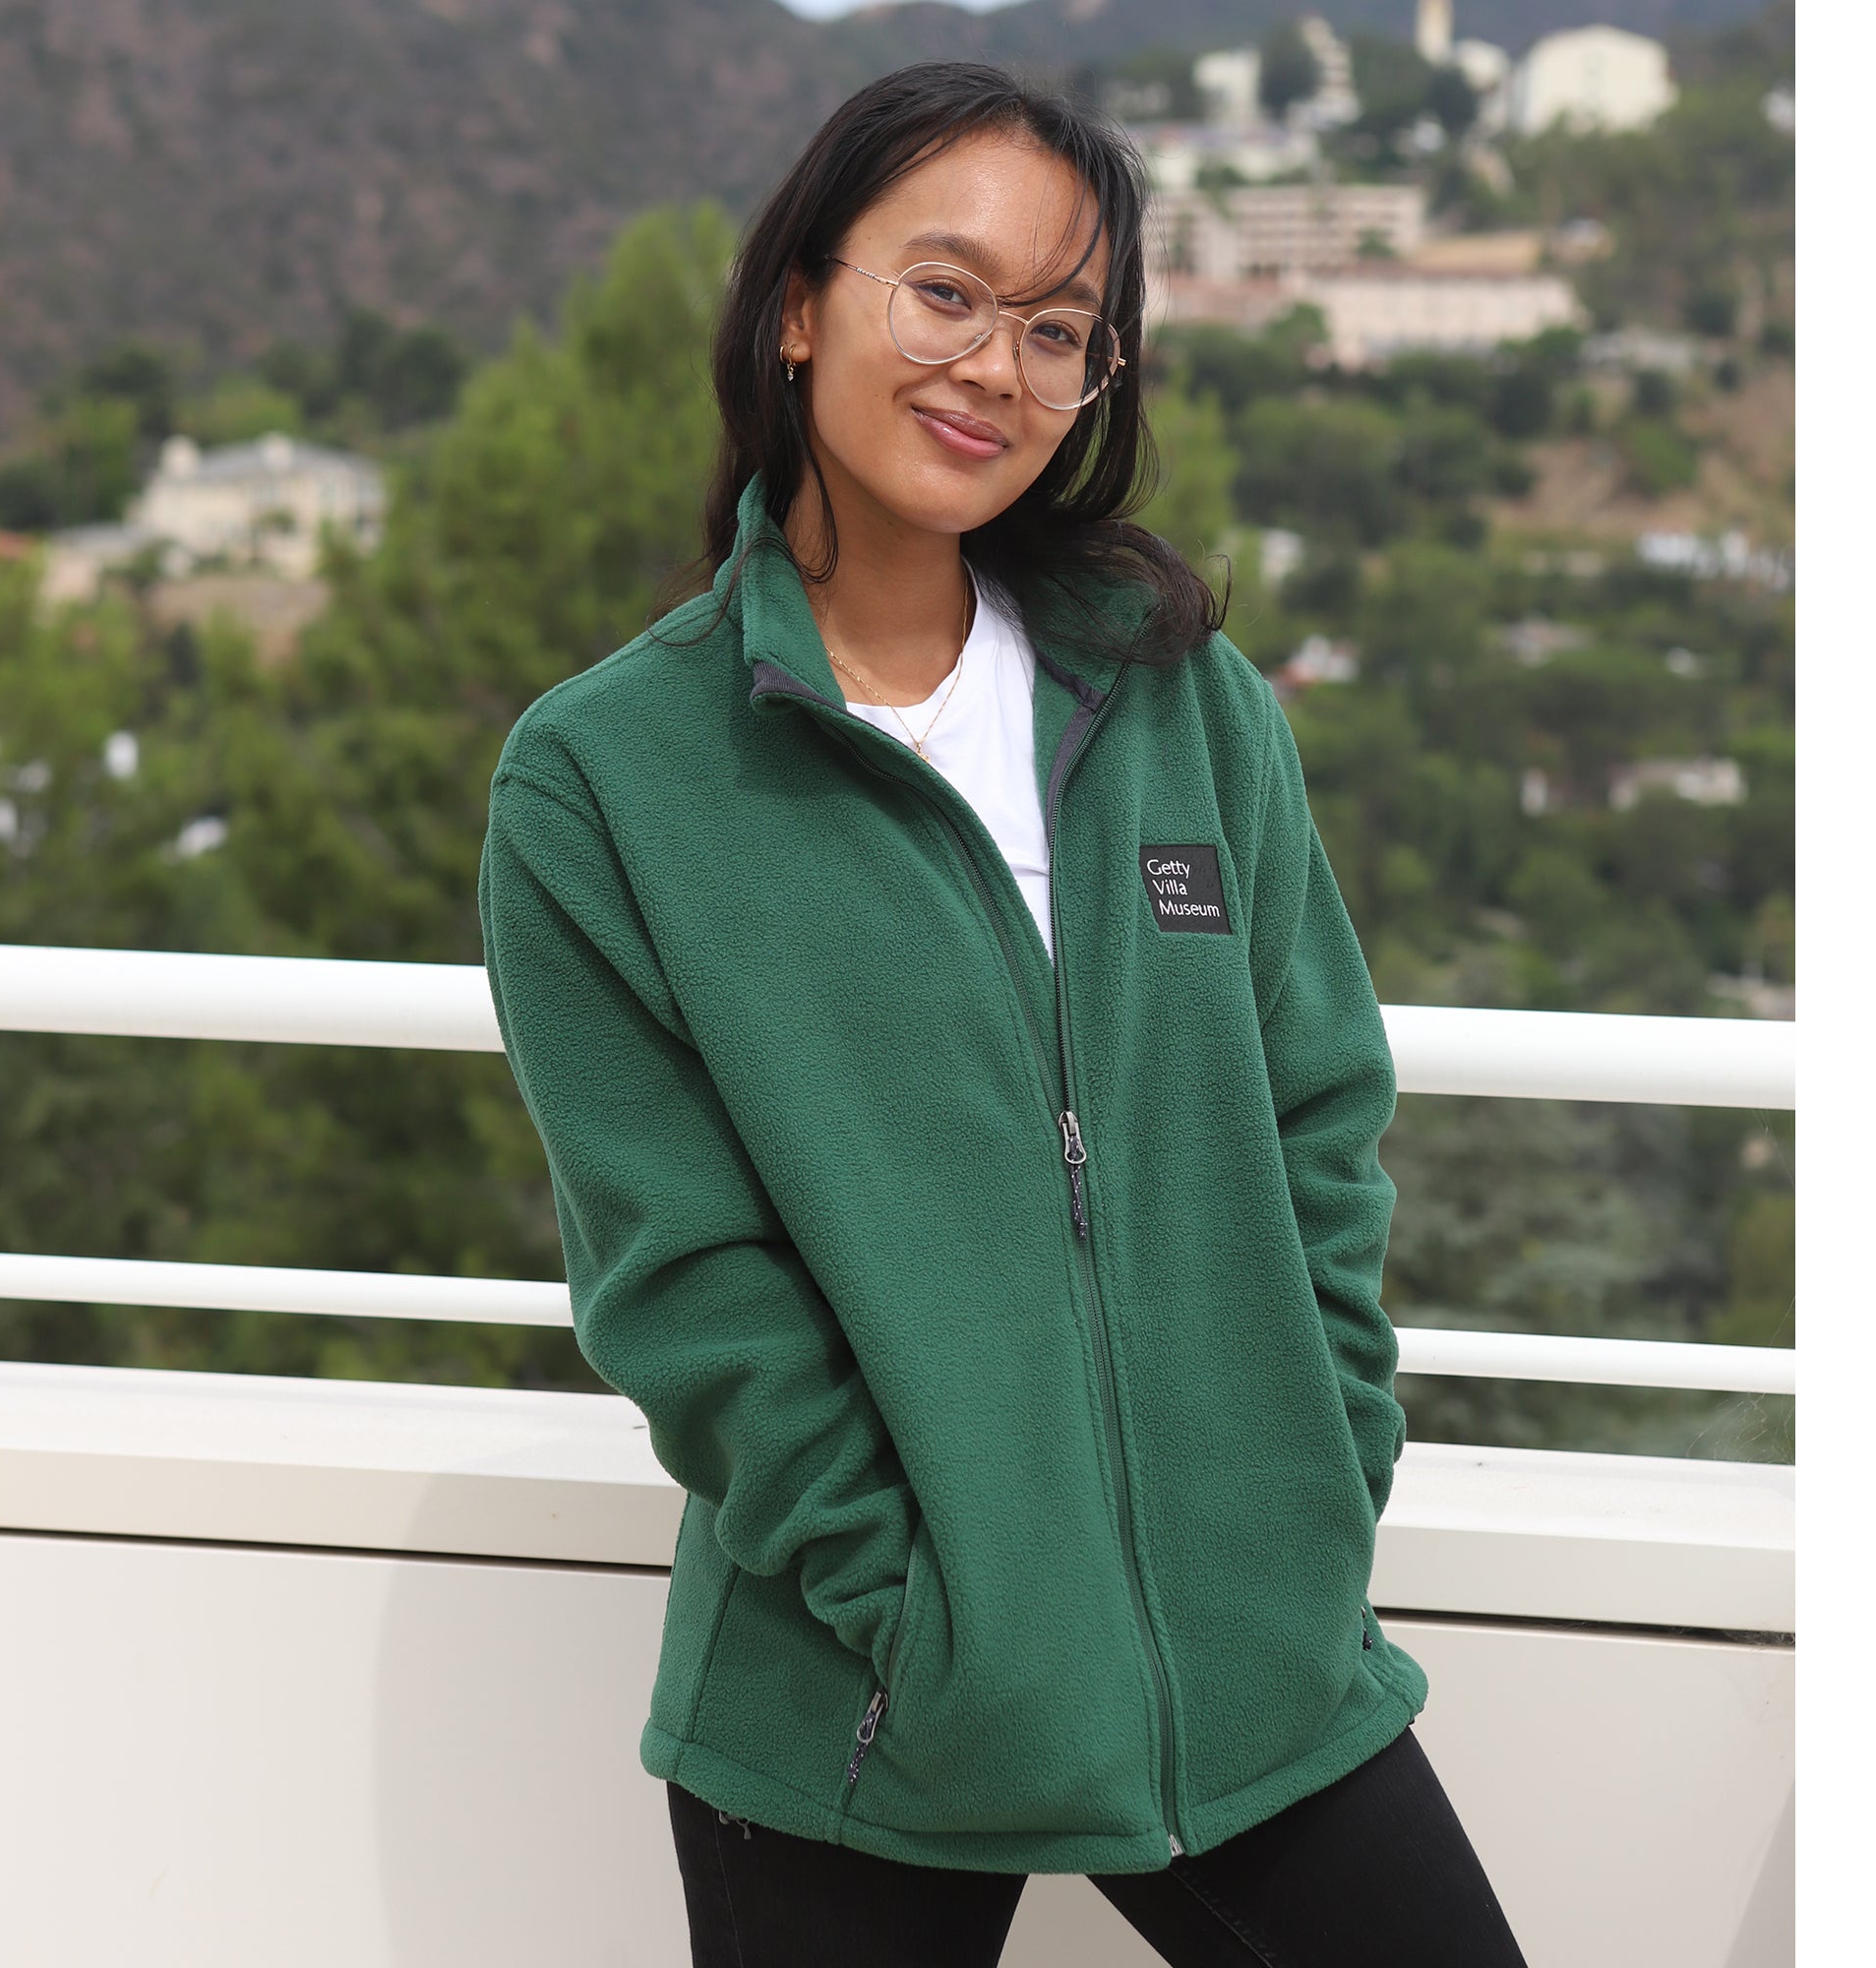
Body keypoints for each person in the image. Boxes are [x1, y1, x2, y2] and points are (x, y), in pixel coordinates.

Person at [478, 60, 1529, 1968]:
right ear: (799, 300)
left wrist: (1321, 1465)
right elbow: (681, 1273)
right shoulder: (608, 778)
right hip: (860, 1705)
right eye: (943, 292)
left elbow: (1316, 1109)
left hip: (1249, 1652)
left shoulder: (1185, 699)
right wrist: (915, 1602)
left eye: (1061, 329)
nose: (995, 366)